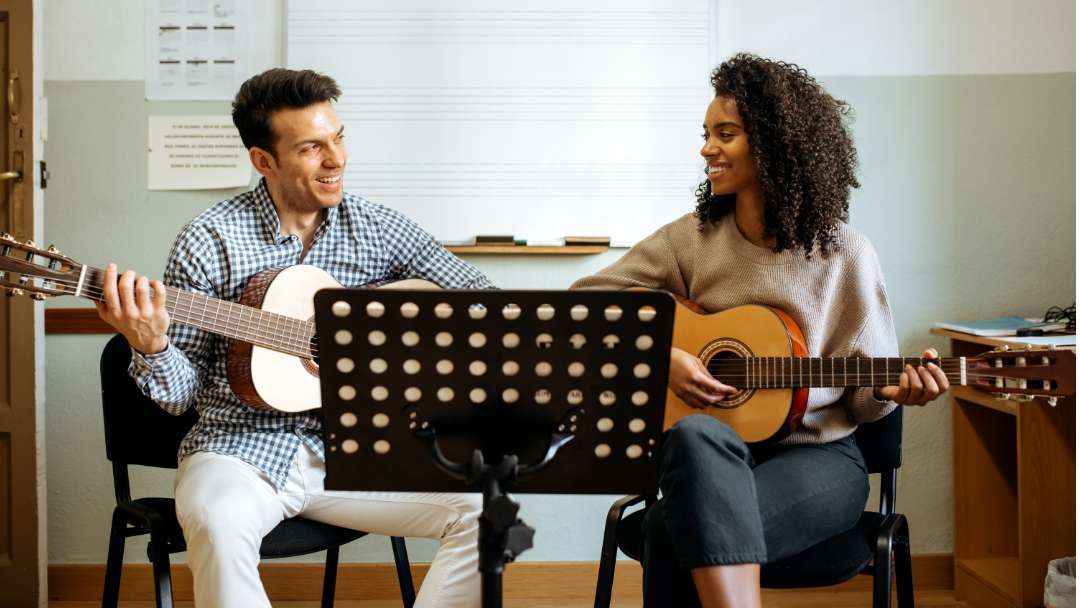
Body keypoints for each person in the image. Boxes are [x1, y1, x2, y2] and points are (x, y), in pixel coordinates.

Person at [95, 68, 491, 608]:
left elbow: (484, 299)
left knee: (487, 506)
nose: (337, 160)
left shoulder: (375, 226)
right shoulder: (209, 239)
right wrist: (150, 345)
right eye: (312, 148)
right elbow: (178, 398)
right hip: (237, 451)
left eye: (339, 138)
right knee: (217, 519)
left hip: (354, 450)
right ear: (264, 161)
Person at [571, 54, 949, 608]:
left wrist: (892, 392)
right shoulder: (690, 240)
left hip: (819, 459)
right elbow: (582, 307)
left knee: (666, 530)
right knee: (694, 436)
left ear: (774, 142)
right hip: (713, 457)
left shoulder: (844, 254)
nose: (706, 148)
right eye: (705, 134)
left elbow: (866, 403)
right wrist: (662, 357)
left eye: (725, 134)